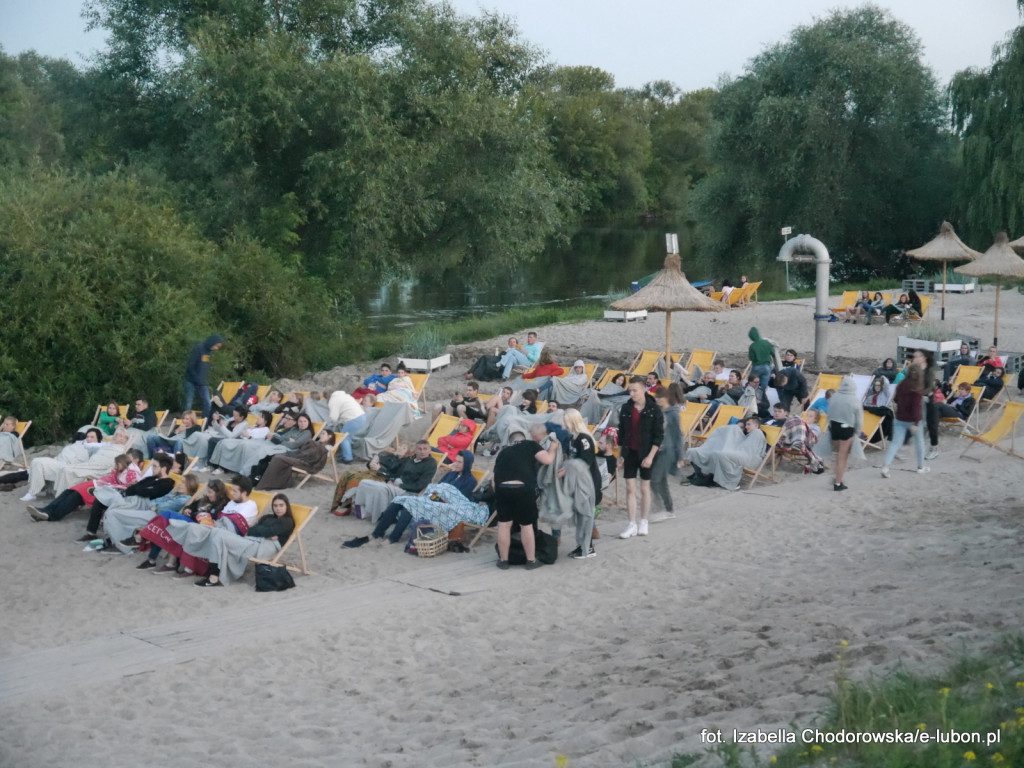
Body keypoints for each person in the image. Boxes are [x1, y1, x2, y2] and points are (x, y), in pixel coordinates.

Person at [167, 484, 280, 587]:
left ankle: (212, 576)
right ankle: (179, 558)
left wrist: (263, 531)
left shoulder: (253, 507)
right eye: (275, 506)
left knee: (215, 534)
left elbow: (251, 529)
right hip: (226, 529)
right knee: (192, 527)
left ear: (244, 493)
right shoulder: (266, 517)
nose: (277, 508)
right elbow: (255, 529)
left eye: (235, 491)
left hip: (240, 537)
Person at [368, 451, 484, 545]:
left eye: (460, 462)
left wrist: (440, 498)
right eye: (456, 461)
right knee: (397, 502)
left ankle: (393, 538)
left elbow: (459, 500)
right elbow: (438, 488)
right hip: (433, 499)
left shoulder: (471, 481)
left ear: (467, 464)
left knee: (409, 507)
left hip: (444, 507)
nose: (456, 464)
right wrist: (432, 495)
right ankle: (377, 533)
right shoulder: (450, 474)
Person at [86, 452, 177, 551]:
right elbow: (132, 489)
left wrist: (138, 488)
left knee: (111, 511)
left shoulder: (167, 484)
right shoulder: (151, 478)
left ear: (163, 469)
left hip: (140, 506)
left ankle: (118, 544)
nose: (152, 468)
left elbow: (143, 492)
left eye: (155, 466)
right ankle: (97, 533)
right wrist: (138, 488)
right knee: (103, 501)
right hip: (131, 499)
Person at [493, 430, 557, 570]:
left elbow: (494, 480)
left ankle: (503, 561)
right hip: (522, 488)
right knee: (526, 525)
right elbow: (547, 460)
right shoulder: (530, 445)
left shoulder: (503, 452)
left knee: (504, 525)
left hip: (502, 488)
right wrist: (552, 449)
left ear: (511, 442)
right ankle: (531, 561)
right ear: (524, 439)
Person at [139, 479, 230, 576]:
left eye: (210, 492)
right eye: (207, 491)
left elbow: (214, 519)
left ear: (219, 493)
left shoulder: (223, 504)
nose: (208, 494)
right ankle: (157, 560)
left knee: (167, 515)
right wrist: (187, 509)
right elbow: (191, 507)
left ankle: (142, 538)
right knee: (166, 527)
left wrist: (194, 514)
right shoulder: (205, 500)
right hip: (189, 523)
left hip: (200, 527)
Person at [26, 453, 138, 522]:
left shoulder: (131, 473)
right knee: (68, 491)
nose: (115, 466)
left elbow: (127, 487)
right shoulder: (122, 471)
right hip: (97, 484)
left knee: (75, 497)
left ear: (123, 464)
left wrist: (113, 477)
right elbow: (112, 480)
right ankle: (45, 510)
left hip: (101, 490)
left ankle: (52, 516)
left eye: (117, 464)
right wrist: (114, 473)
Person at [342, 440, 437, 522]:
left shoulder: (431, 464)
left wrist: (399, 485)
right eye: (419, 449)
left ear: (430, 450)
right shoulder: (412, 460)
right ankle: (363, 509)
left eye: (425, 449)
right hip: (397, 483)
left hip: (409, 491)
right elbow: (398, 475)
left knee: (380, 488)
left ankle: (383, 515)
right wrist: (393, 480)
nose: (422, 451)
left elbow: (420, 485)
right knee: (364, 482)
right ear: (415, 451)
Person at [617, 376, 663, 539]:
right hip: (630, 451)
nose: (632, 393)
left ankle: (644, 520)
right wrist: (620, 455)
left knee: (644, 488)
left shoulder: (654, 409)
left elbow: (658, 436)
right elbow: (621, 433)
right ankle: (631, 523)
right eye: (630, 390)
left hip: (647, 452)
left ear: (643, 389)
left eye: (635, 390)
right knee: (630, 488)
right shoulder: (626, 408)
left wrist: (650, 456)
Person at [686, 416, 767, 490]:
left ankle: (731, 482)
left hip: (749, 457)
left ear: (756, 426)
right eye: (746, 425)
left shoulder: (757, 432)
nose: (746, 427)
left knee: (722, 455)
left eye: (748, 424)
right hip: (743, 454)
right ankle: (711, 477)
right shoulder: (749, 435)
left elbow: (752, 450)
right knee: (719, 454)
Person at [561, 408, 601, 558]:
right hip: (578, 481)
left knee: (585, 514)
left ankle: (588, 547)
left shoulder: (583, 438)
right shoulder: (572, 438)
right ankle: (583, 544)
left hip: (587, 481)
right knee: (580, 514)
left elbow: (586, 461)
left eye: (565, 419)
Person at [880, 365, 928, 478]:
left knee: (895, 443)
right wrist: (916, 423)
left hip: (900, 417)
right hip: (913, 419)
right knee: (919, 442)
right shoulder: (917, 388)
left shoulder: (901, 385)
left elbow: (896, 399)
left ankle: (886, 467)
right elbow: (916, 407)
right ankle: (921, 467)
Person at [254, 429, 335, 490]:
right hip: (301, 459)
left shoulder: (326, 449)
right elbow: (304, 451)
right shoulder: (317, 445)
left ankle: (264, 485)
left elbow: (316, 460)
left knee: (278, 458)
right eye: (321, 433)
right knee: (276, 455)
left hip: (308, 464)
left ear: (329, 436)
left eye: (323, 433)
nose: (321, 435)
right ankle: (265, 481)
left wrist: (311, 444)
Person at [649, 387, 682, 516]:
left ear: (666, 398)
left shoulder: (673, 413)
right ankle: (668, 509)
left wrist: (680, 456)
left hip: (667, 451)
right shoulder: (658, 411)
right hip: (657, 450)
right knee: (661, 480)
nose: (657, 400)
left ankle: (662, 508)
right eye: (656, 397)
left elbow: (678, 435)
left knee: (655, 479)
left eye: (659, 397)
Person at [826, 377, 862, 491]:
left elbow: (829, 413)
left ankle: (837, 476)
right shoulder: (855, 400)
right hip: (846, 427)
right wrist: (857, 432)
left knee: (837, 455)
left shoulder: (834, 396)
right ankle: (838, 483)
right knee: (843, 457)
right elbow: (859, 420)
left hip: (834, 426)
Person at [183, 334, 224, 420]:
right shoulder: (199, 348)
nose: (216, 348)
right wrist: (197, 379)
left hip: (202, 382)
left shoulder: (208, 352)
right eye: (216, 346)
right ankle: (185, 422)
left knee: (207, 402)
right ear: (212, 342)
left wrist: (204, 380)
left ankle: (204, 421)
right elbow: (190, 366)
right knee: (188, 403)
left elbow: (205, 368)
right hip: (191, 380)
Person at [327, 389, 366, 464]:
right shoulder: (345, 396)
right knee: (348, 437)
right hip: (362, 416)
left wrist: (333, 424)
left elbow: (333, 417)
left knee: (344, 438)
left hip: (353, 419)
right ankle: (349, 454)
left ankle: (348, 458)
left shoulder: (333, 400)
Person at [862, 375, 894, 440]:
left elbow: (886, 385)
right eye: (875, 385)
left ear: (882, 386)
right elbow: (865, 405)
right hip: (868, 415)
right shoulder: (871, 395)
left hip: (876, 415)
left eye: (879, 385)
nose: (877, 387)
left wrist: (884, 378)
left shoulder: (884, 394)